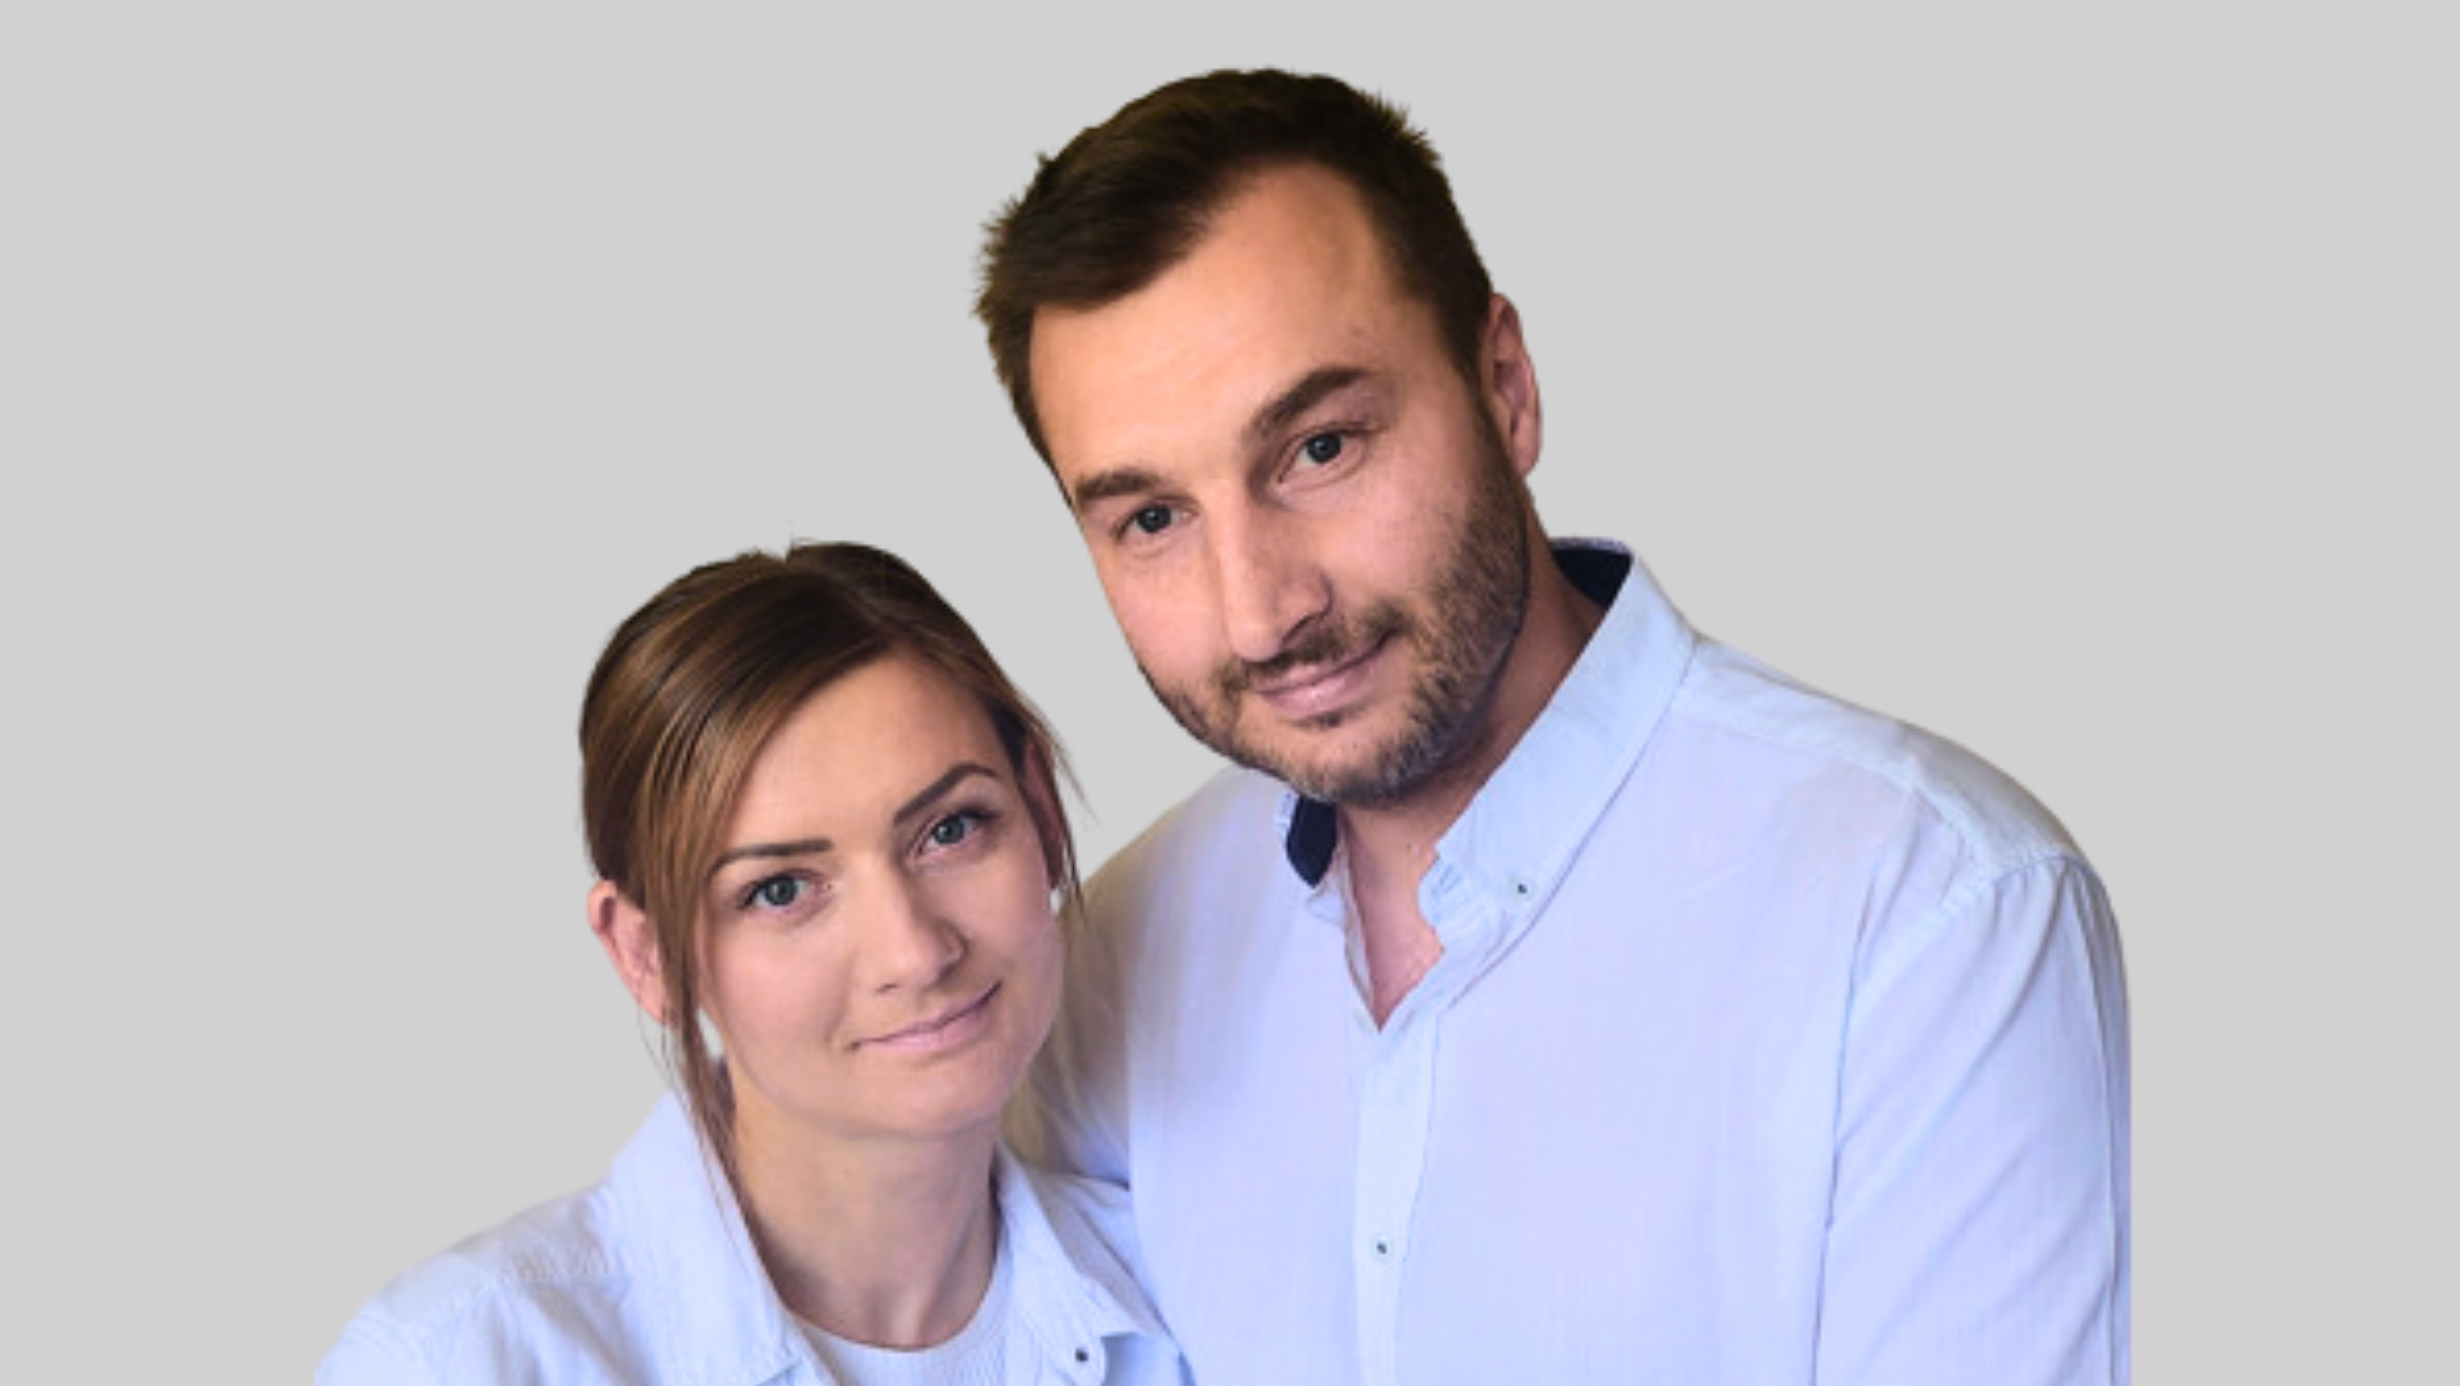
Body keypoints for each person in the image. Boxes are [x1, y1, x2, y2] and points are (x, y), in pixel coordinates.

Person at [976, 69, 2130, 1385]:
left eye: (1320, 449)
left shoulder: (1925, 909)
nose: (1260, 613)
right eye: (1152, 519)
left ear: (1506, 387)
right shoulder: (1107, 964)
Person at [319, 543, 1185, 1385]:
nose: (914, 952)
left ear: (1040, 811)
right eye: (781, 890)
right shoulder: (453, 1362)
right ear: (645, 955)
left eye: (950, 830)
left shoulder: (1191, 1296)